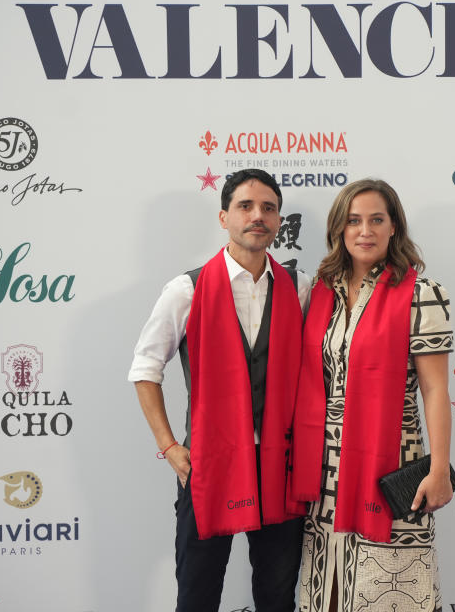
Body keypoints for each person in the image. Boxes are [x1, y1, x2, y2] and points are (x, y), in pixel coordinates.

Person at [128, 169, 311, 612]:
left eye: (268, 208)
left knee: (276, 595)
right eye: (246, 206)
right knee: (197, 593)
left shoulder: (299, 287)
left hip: (279, 465)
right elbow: (145, 368)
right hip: (207, 465)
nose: (257, 216)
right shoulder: (186, 289)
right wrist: (170, 446)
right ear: (223, 216)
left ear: (279, 220)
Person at [288, 179, 454, 612]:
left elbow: (436, 389)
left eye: (376, 220)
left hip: (392, 462)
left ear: (394, 226)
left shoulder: (421, 294)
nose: (365, 230)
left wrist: (438, 470)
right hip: (326, 467)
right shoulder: (321, 292)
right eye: (354, 220)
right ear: (339, 230)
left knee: (387, 590)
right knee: (330, 590)